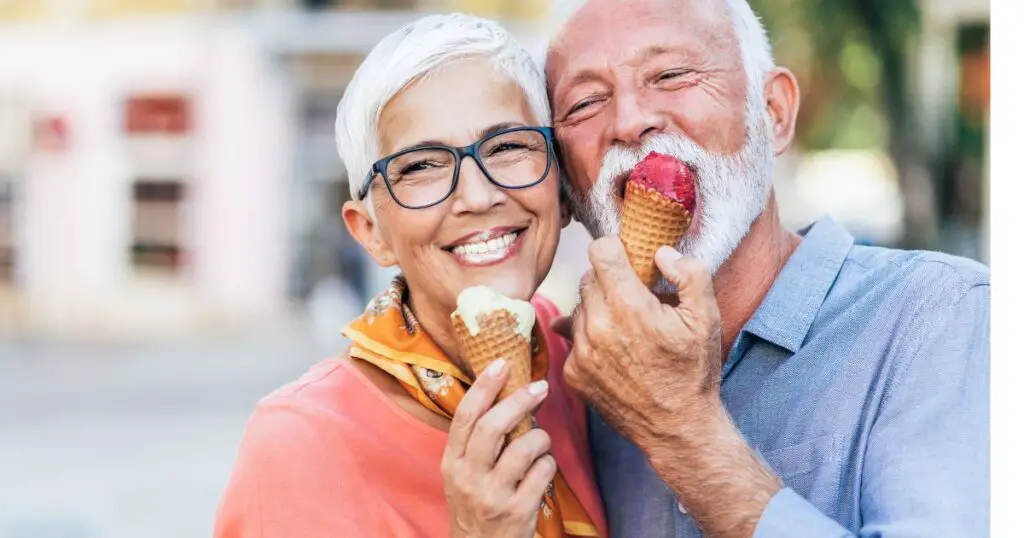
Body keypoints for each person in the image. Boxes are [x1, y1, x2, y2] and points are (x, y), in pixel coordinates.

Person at [544, 0, 989, 536]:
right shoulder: (579, 387)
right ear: (566, 184)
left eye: (671, 74)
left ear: (773, 113)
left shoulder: (942, 315)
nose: (631, 121)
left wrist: (682, 432)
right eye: (586, 103)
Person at [214, 13, 606, 538]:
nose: (478, 195)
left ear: (560, 189)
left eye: (509, 146)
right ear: (370, 231)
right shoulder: (302, 439)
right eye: (421, 166)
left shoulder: (579, 362)